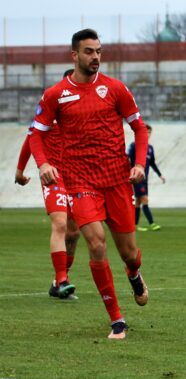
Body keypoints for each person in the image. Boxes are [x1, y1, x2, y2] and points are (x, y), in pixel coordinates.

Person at [28, 28, 150, 340]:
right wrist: (42, 163)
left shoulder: (115, 89)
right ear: (74, 55)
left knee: (129, 253)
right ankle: (116, 319)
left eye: (98, 51)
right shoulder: (56, 95)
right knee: (96, 243)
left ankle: (134, 274)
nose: (95, 57)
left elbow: (138, 127)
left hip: (117, 180)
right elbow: (36, 134)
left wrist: (138, 164)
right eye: (88, 51)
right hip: (81, 181)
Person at [15, 70, 81, 299]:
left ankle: (59, 281)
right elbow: (31, 137)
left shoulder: (85, 113)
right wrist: (20, 169)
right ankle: (62, 279)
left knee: (74, 232)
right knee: (60, 224)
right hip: (53, 176)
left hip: (78, 177)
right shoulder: (50, 107)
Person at [128, 124, 165, 231]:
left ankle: (134, 225)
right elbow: (128, 160)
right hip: (137, 178)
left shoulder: (150, 148)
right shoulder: (134, 146)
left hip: (145, 179)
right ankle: (152, 223)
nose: (148, 134)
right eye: (146, 132)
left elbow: (152, 163)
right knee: (145, 199)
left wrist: (160, 175)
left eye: (149, 132)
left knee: (138, 201)